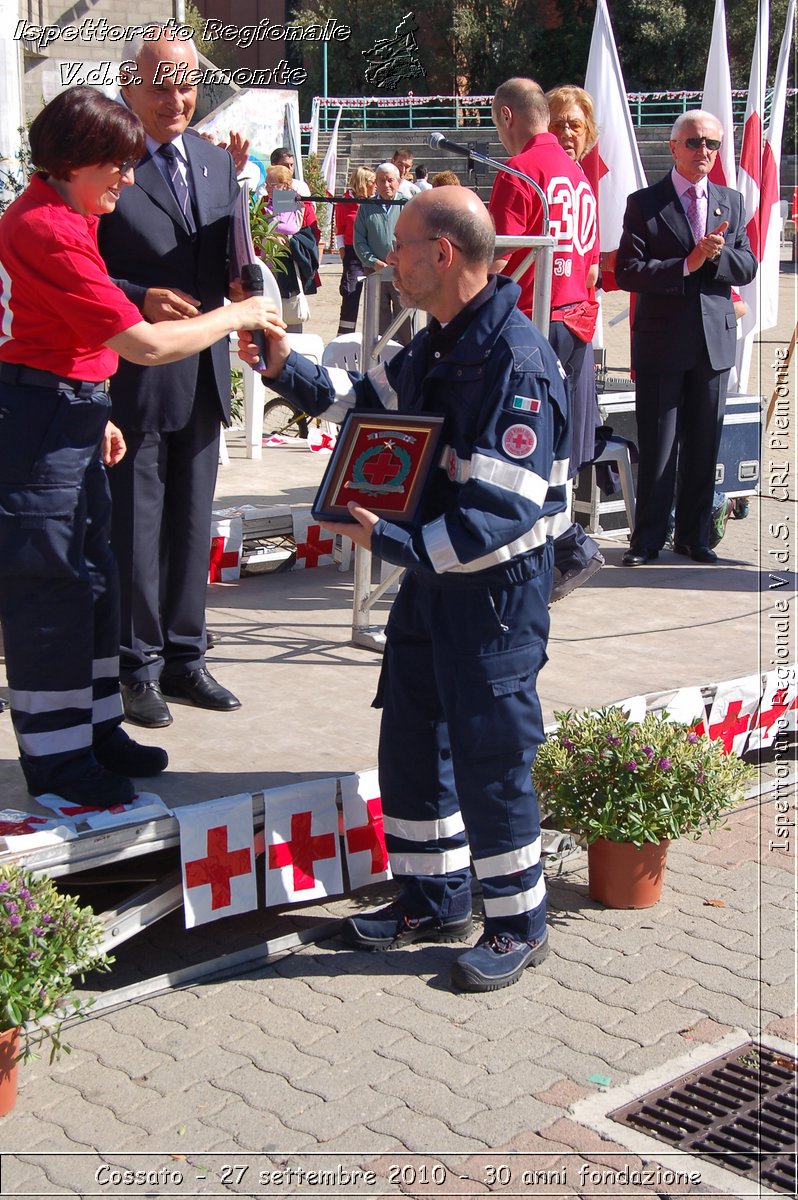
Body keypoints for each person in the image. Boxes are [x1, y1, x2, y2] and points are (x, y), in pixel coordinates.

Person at [243, 187, 569, 993]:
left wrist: (389, 541)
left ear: (445, 254)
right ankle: (434, 896)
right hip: (434, 585)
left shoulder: (516, 359)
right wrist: (290, 370)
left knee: (492, 759)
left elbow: (502, 509)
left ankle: (519, 923)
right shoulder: (439, 342)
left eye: (403, 243)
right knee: (415, 738)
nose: (389, 257)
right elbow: (366, 403)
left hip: (495, 593)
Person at [0, 87, 282, 807]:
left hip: (68, 412)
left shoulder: (60, 212)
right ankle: (62, 765)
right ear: (73, 160)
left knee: (95, 583)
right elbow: (148, 346)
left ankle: (95, 732)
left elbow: (70, 318)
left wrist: (95, 406)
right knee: (51, 595)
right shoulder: (49, 228)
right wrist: (238, 314)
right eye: (115, 167)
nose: (126, 181)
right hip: (38, 425)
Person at [98, 27, 249, 729]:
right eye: (160, 82)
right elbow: (85, 273)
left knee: (192, 526)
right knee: (137, 526)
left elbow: (233, 264)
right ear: (131, 87)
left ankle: (186, 658)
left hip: (206, 372)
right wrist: (136, 297)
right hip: (136, 372)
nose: (176, 97)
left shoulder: (217, 167)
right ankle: (136, 667)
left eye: (186, 83)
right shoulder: (111, 166)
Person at [615, 111, 757, 565]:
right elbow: (627, 272)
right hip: (662, 341)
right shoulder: (645, 203)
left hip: (713, 341)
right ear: (674, 147)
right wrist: (686, 264)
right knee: (659, 445)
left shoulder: (729, 202)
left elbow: (747, 265)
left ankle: (695, 537)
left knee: (703, 443)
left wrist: (713, 262)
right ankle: (648, 539)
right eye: (695, 143)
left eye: (712, 145)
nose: (705, 153)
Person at [489, 77, 604, 603]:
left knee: (523, 444)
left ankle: (565, 548)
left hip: (538, 323)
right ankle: (557, 550)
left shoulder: (519, 172)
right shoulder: (577, 174)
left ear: (508, 117)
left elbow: (498, 259)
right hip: (575, 318)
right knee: (553, 446)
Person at [546, 85, 603, 554]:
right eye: (558, 122)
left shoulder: (585, 182)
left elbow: (591, 265)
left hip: (577, 327)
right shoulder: (546, 176)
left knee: (570, 441)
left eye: (575, 124)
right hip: (545, 321)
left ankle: (563, 540)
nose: (567, 132)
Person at [353, 163, 410, 345]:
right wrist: (373, 261)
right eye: (382, 180)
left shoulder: (407, 205)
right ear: (375, 183)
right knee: (378, 319)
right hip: (375, 271)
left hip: (403, 271)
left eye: (390, 180)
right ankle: (379, 357)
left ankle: (407, 355)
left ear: (398, 181)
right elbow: (359, 241)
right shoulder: (366, 208)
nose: (386, 185)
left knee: (405, 316)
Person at [260, 165, 320, 335]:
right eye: (266, 184)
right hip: (268, 261)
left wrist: (281, 238)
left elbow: (297, 230)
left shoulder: (294, 202)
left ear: (284, 186)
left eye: (271, 184)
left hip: (288, 263)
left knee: (290, 311)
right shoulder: (264, 202)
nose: (267, 188)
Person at [335, 166, 377, 335]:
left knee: (377, 296)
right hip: (352, 254)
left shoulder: (375, 200)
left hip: (373, 251)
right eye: (373, 182)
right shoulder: (344, 202)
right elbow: (339, 231)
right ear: (363, 183)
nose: (376, 185)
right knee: (350, 293)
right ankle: (344, 335)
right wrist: (343, 254)